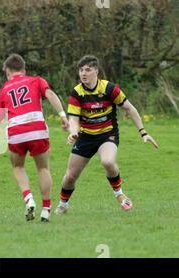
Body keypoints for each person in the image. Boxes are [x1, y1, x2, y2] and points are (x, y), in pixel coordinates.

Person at [54, 55, 159, 215]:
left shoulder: (109, 89)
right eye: (81, 70)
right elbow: (73, 119)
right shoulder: (76, 92)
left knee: (108, 161)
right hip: (86, 137)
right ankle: (63, 204)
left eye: (87, 70)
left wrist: (143, 132)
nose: (83, 73)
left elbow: (129, 109)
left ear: (96, 71)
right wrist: (73, 133)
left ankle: (119, 194)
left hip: (107, 135)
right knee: (70, 177)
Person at [0, 54, 69, 222]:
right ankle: (46, 209)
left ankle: (29, 198)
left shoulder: (4, 89)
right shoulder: (36, 80)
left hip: (16, 131)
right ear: (24, 70)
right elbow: (51, 95)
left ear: (7, 72)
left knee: (18, 167)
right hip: (37, 127)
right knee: (43, 169)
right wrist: (62, 116)